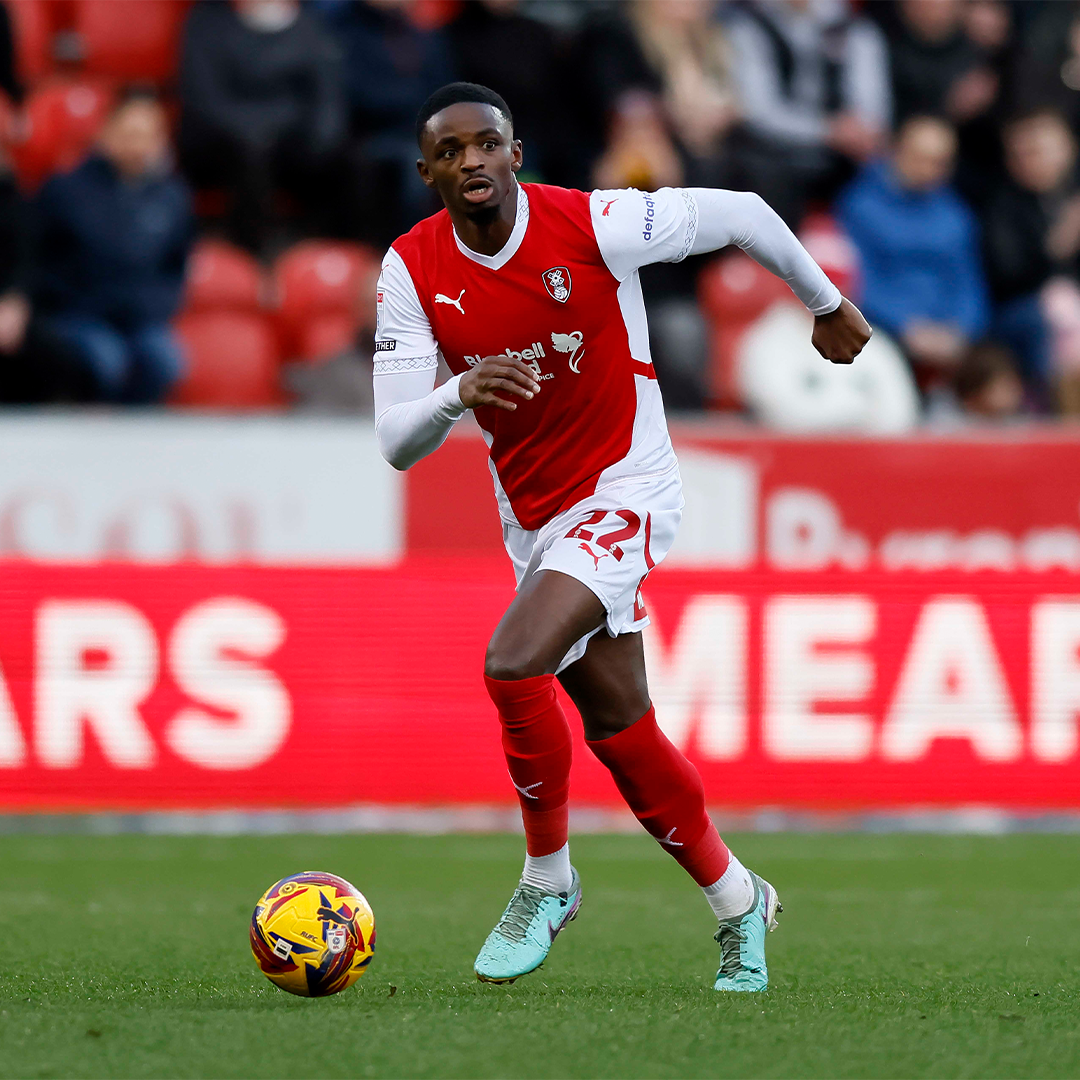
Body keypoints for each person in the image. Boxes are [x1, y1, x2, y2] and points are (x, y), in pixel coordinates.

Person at [373, 82, 870, 990]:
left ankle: (546, 879)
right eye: (451, 151)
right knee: (621, 729)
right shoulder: (410, 269)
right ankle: (737, 900)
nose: (472, 160)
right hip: (532, 516)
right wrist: (457, 392)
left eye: (489, 143)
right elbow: (396, 441)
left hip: (626, 489)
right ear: (428, 171)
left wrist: (824, 302)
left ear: (515, 155)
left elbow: (744, 212)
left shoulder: (597, 223)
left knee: (511, 661)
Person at [35, 88, 193, 405]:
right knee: (106, 360)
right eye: (129, 134)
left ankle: (139, 439)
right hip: (78, 313)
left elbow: (176, 269)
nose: (138, 146)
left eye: (148, 136)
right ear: (105, 132)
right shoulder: (65, 190)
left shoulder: (172, 197)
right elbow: (39, 261)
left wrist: (150, 306)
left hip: (139, 318)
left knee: (166, 361)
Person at [178, 0, 346, 255]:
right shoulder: (207, 22)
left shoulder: (309, 25)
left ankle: (334, 251)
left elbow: (326, 95)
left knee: (349, 153)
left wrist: (320, 135)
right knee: (250, 151)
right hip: (224, 145)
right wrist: (259, 130)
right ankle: (258, 255)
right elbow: (204, 101)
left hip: (291, 140)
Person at [835, 116, 988, 378]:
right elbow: (857, 281)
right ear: (895, 151)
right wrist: (906, 327)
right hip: (882, 330)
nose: (927, 169)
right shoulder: (859, 206)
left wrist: (961, 330)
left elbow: (968, 283)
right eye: (919, 157)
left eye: (938, 162)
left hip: (949, 336)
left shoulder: (956, 215)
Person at [725, 0, 891, 227]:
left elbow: (873, 104)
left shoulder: (853, 25)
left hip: (846, 156)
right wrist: (827, 130)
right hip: (775, 154)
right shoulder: (749, 25)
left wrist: (859, 128)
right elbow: (757, 111)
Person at [981, 110, 1080, 397]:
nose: (1026, 160)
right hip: (1019, 310)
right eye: (1019, 153)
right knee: (1048, 316)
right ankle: (1050, 405)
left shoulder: (1070, 193)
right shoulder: (1002, 205)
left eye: (1036, 151)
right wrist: (1058, 244)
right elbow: (1007, 274)